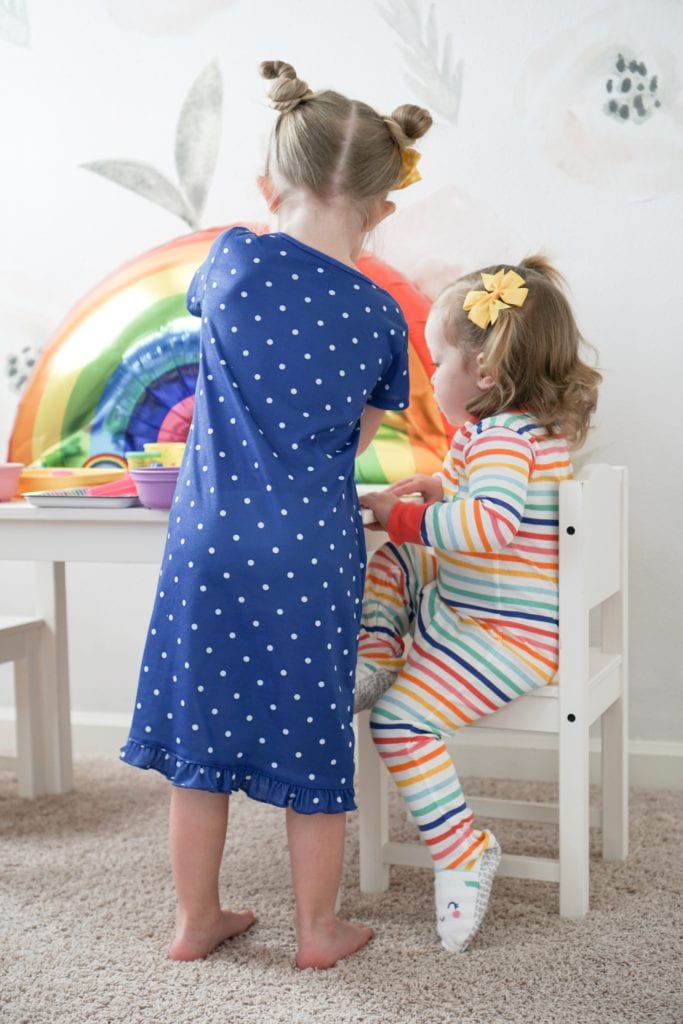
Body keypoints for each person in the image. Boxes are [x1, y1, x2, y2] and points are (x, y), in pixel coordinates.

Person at [120, 59, 432, 969]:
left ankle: (194, 922)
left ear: (269, 185)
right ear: (382, 208)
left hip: (209, 542)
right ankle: (318, 932)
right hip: (310, 551)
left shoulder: (229, 258)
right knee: (311, 743)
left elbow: (239, 381)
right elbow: (344, 440)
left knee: (199, 747)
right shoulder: (379, 314)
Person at [357, 256, 601, 952]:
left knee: (399, 725)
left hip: (504, 637)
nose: (430, 376)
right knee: (397, 561)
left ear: (485, 373)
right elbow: (486, 507)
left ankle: (463, 849)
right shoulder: (517, 432)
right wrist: (433, 494)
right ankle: (376, 656)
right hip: (482, 615)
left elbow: (490, 526)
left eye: (438, 361)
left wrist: (405, 518)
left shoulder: (499, 440)